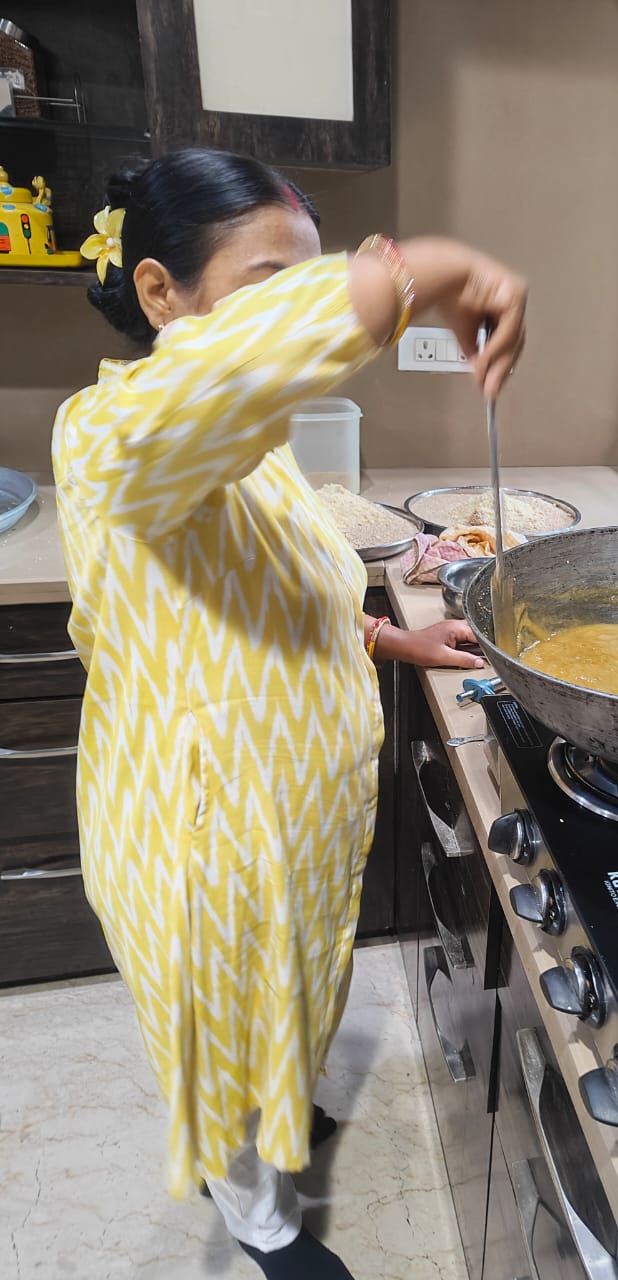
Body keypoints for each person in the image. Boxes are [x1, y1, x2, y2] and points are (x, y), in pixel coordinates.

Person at [52, 147, 527, 1280]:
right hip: (204, 842)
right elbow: (228, 373)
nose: (307, 308)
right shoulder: (117, 440)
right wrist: (432, 269)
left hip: (290, 824)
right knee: (224, 1038)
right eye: (275, 281)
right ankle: (261, 1221)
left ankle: (277, 1108)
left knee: (297, 990)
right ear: (162, 292)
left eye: (318, 278)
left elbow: (273, 589)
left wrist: (390, 635)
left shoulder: (253, 452)